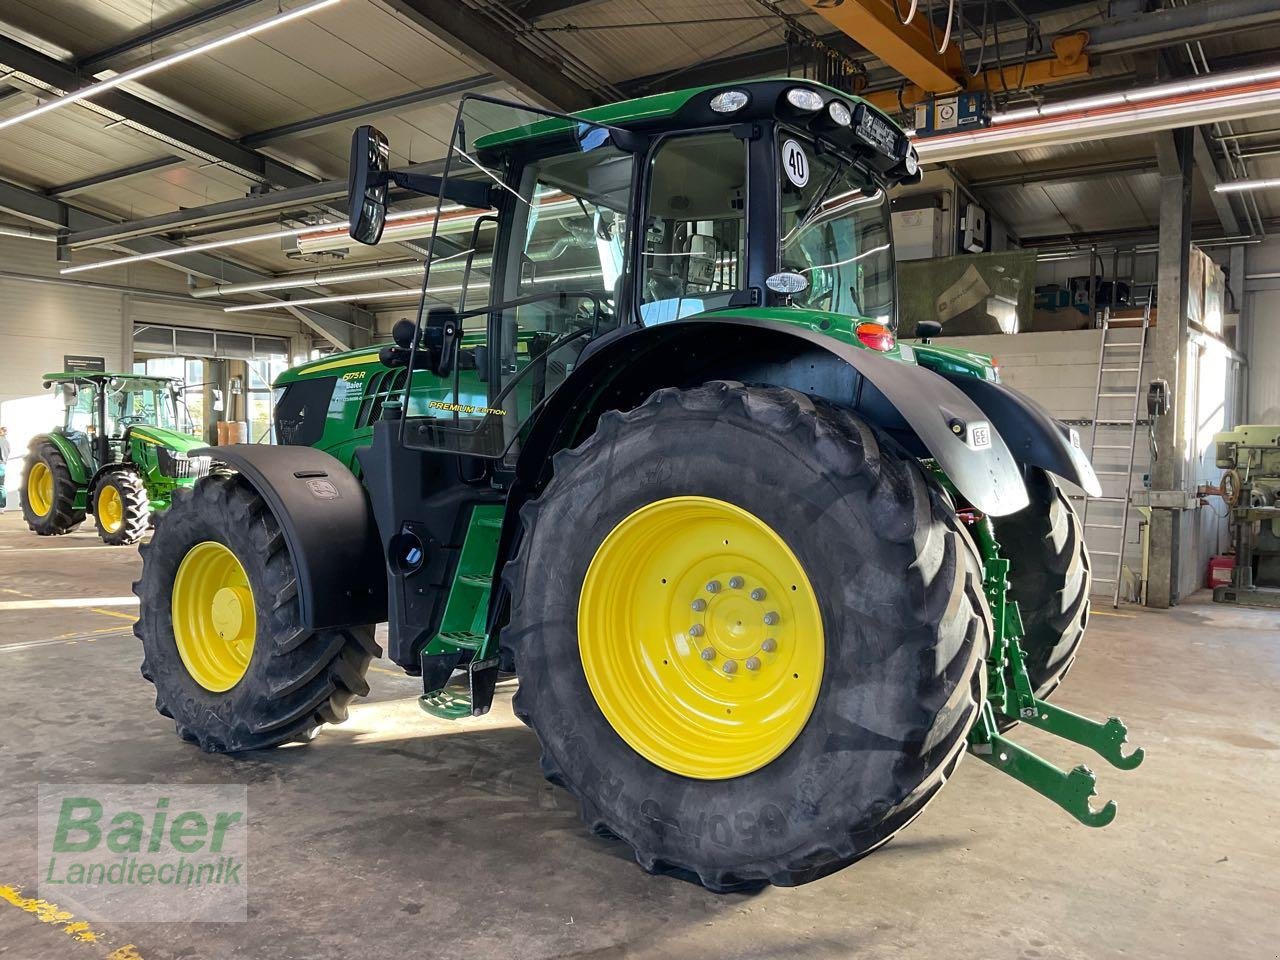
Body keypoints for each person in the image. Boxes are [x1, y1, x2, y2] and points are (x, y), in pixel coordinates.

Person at [0, 426, 9, 513]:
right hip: (2, 464)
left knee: (1, 486)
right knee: (1, 486)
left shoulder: (1, 441)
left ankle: (1, 506)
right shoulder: (6, 442)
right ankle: (2, 507)